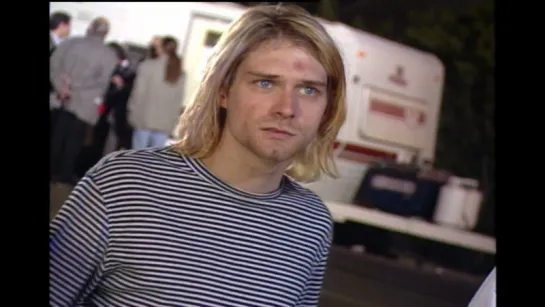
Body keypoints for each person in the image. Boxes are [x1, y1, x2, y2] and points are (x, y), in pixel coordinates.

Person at [49, 4, 346, 307]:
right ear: (223, 91)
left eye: (309, 90)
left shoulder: (311, 223)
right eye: (266, 83)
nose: (287, 108)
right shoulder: (124, 185)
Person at [49, 17, 118, 185]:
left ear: (89, 28)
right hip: (85, 104)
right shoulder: (109, 55)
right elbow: (102, 81)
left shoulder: (69, 43)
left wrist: (62, 87)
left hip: (60, 98)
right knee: (74, 140)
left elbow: (53, 65)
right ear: (106, 33)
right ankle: (65, 175)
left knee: (55, 135)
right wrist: (76, 86)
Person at [128, 36, 185, 149]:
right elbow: (178, 99)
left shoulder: (147, 66)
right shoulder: (179, 72)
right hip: (164, 122)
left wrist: (132, 112)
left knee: (138, 156)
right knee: (154, 159)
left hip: (144, 119)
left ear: (161, 48)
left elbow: (138, 94)